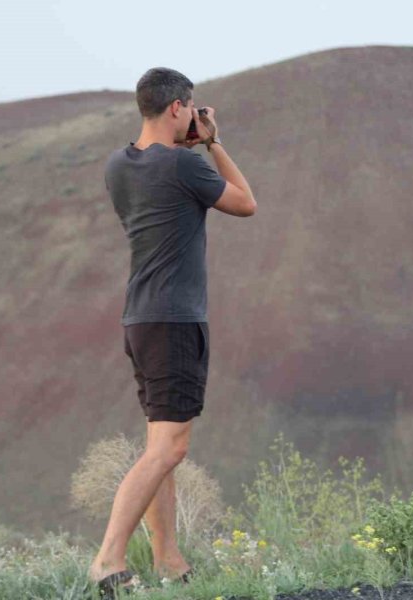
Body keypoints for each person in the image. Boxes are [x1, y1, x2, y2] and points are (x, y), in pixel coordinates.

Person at [90, 67, 256, 597]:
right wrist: (214, 144)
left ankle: (168, 559)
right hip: (175, 321)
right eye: (191, 107)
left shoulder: (119, 165)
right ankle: (107, 559)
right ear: (178, 109)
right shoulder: (185, 166)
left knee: (159, 441)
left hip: (139, 318)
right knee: (170, 449)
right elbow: (245, 202)